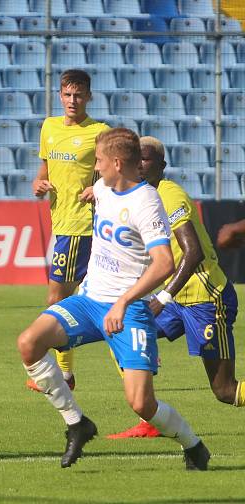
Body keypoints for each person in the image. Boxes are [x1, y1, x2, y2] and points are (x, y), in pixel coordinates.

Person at [17, 128, 210, 470]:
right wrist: (91, 191)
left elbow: (164, 263)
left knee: (141, 404)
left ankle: (193, 444)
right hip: (89, 301)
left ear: (118, 163)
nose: (96, 165)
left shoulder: (146, 202)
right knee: (29, 343)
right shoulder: (105, 186)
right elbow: (101, 190)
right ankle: (77, 424)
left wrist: (123, 302)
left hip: (130, 310)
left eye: (100, 160)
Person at [106, 136, 242, 439]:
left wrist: (163, 297)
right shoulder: (139, 197)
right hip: (175, 298)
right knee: (121, 331)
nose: (139, 165)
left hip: (205, 298)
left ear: (162, 166)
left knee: (224, 390)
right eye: (135, 158)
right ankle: (150, 417)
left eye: (146, 159)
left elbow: (191, 252)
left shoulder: (168, 195)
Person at [27, 69, 109, 393]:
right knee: (77, 301)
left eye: (79, 95)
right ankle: (67, 372)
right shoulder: (48, 126)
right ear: (60, 96)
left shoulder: (99, 132)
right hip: (60, 224)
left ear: (89, 96)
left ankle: (63, 374)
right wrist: (38, 184)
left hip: (81, 226)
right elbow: (44, 168)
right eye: (67, 94)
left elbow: (114, 170)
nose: (73, 101)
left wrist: (98, 187)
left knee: (56, 299)